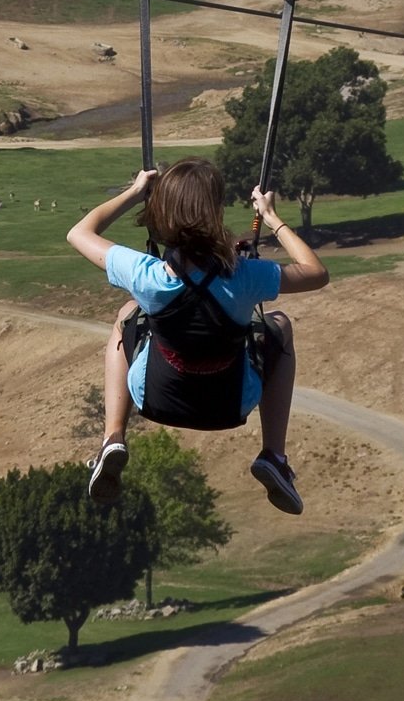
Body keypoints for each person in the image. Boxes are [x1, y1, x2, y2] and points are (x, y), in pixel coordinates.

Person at [65, 157, 329, 515]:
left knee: (126, 315)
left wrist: (136, 192)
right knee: (280, 325)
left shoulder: (146, 275)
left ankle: (113, 436)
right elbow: (316, 273)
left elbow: (79, 234)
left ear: (163, 211)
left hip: (155, 394)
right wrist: (271, 218)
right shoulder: (247, 276)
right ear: (215, 211)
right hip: (230, 402)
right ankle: (274, 455)